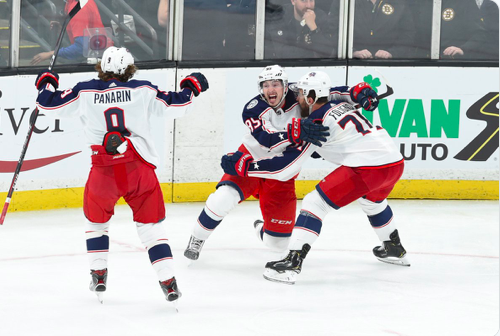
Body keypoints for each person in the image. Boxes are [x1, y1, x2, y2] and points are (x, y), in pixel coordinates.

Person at [34, 46, 209, 303]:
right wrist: (191, 86)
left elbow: (46, 105)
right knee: (151, 228)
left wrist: (46, 83)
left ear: (101, 68)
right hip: (138, 168)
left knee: (96, 223)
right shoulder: (143, 89)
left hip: (103, 170)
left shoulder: (85, 91)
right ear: (130, 69)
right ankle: (168, 280)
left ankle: (99, 273)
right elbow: (180, 104)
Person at [221, 71, 409, 285]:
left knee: (314, 203)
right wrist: (359, 92)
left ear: (310, 98)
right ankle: (393, 247)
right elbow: (342, 93)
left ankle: (292, 262)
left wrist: (245, 166)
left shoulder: (315, 124)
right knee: (372, 202)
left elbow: (283, 168)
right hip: (395, 162)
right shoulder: (342, 105)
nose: (296, 98)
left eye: (300, 94)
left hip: (369, 168)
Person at [184, 64, 332, 262]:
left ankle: (262, 228)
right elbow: (265, 138)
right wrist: (295, 133)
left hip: (283, 173)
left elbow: (333, 92)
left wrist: (356, 94)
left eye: (276, 84)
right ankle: (197, 238)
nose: (271, 89)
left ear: (286, 85)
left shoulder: (301, 95)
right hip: (250, 160)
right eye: (266, 85)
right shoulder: (253, 108)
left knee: (278, 244)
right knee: (223, 198)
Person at [31, 0, 108, 65]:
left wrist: (51, 54)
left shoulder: (78, 9)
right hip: (95, 54)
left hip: (93, 60)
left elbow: (81, 48)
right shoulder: (74, 3)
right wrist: (64, 29)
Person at [265, 0, 337, 59]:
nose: (308, 5)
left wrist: (314, 28)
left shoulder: (321, 18)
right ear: (293, 1)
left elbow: (328, 52)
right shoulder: (281, 16)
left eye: (311, 0)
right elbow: (281, 52)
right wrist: (314, 54)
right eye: (304, 1)